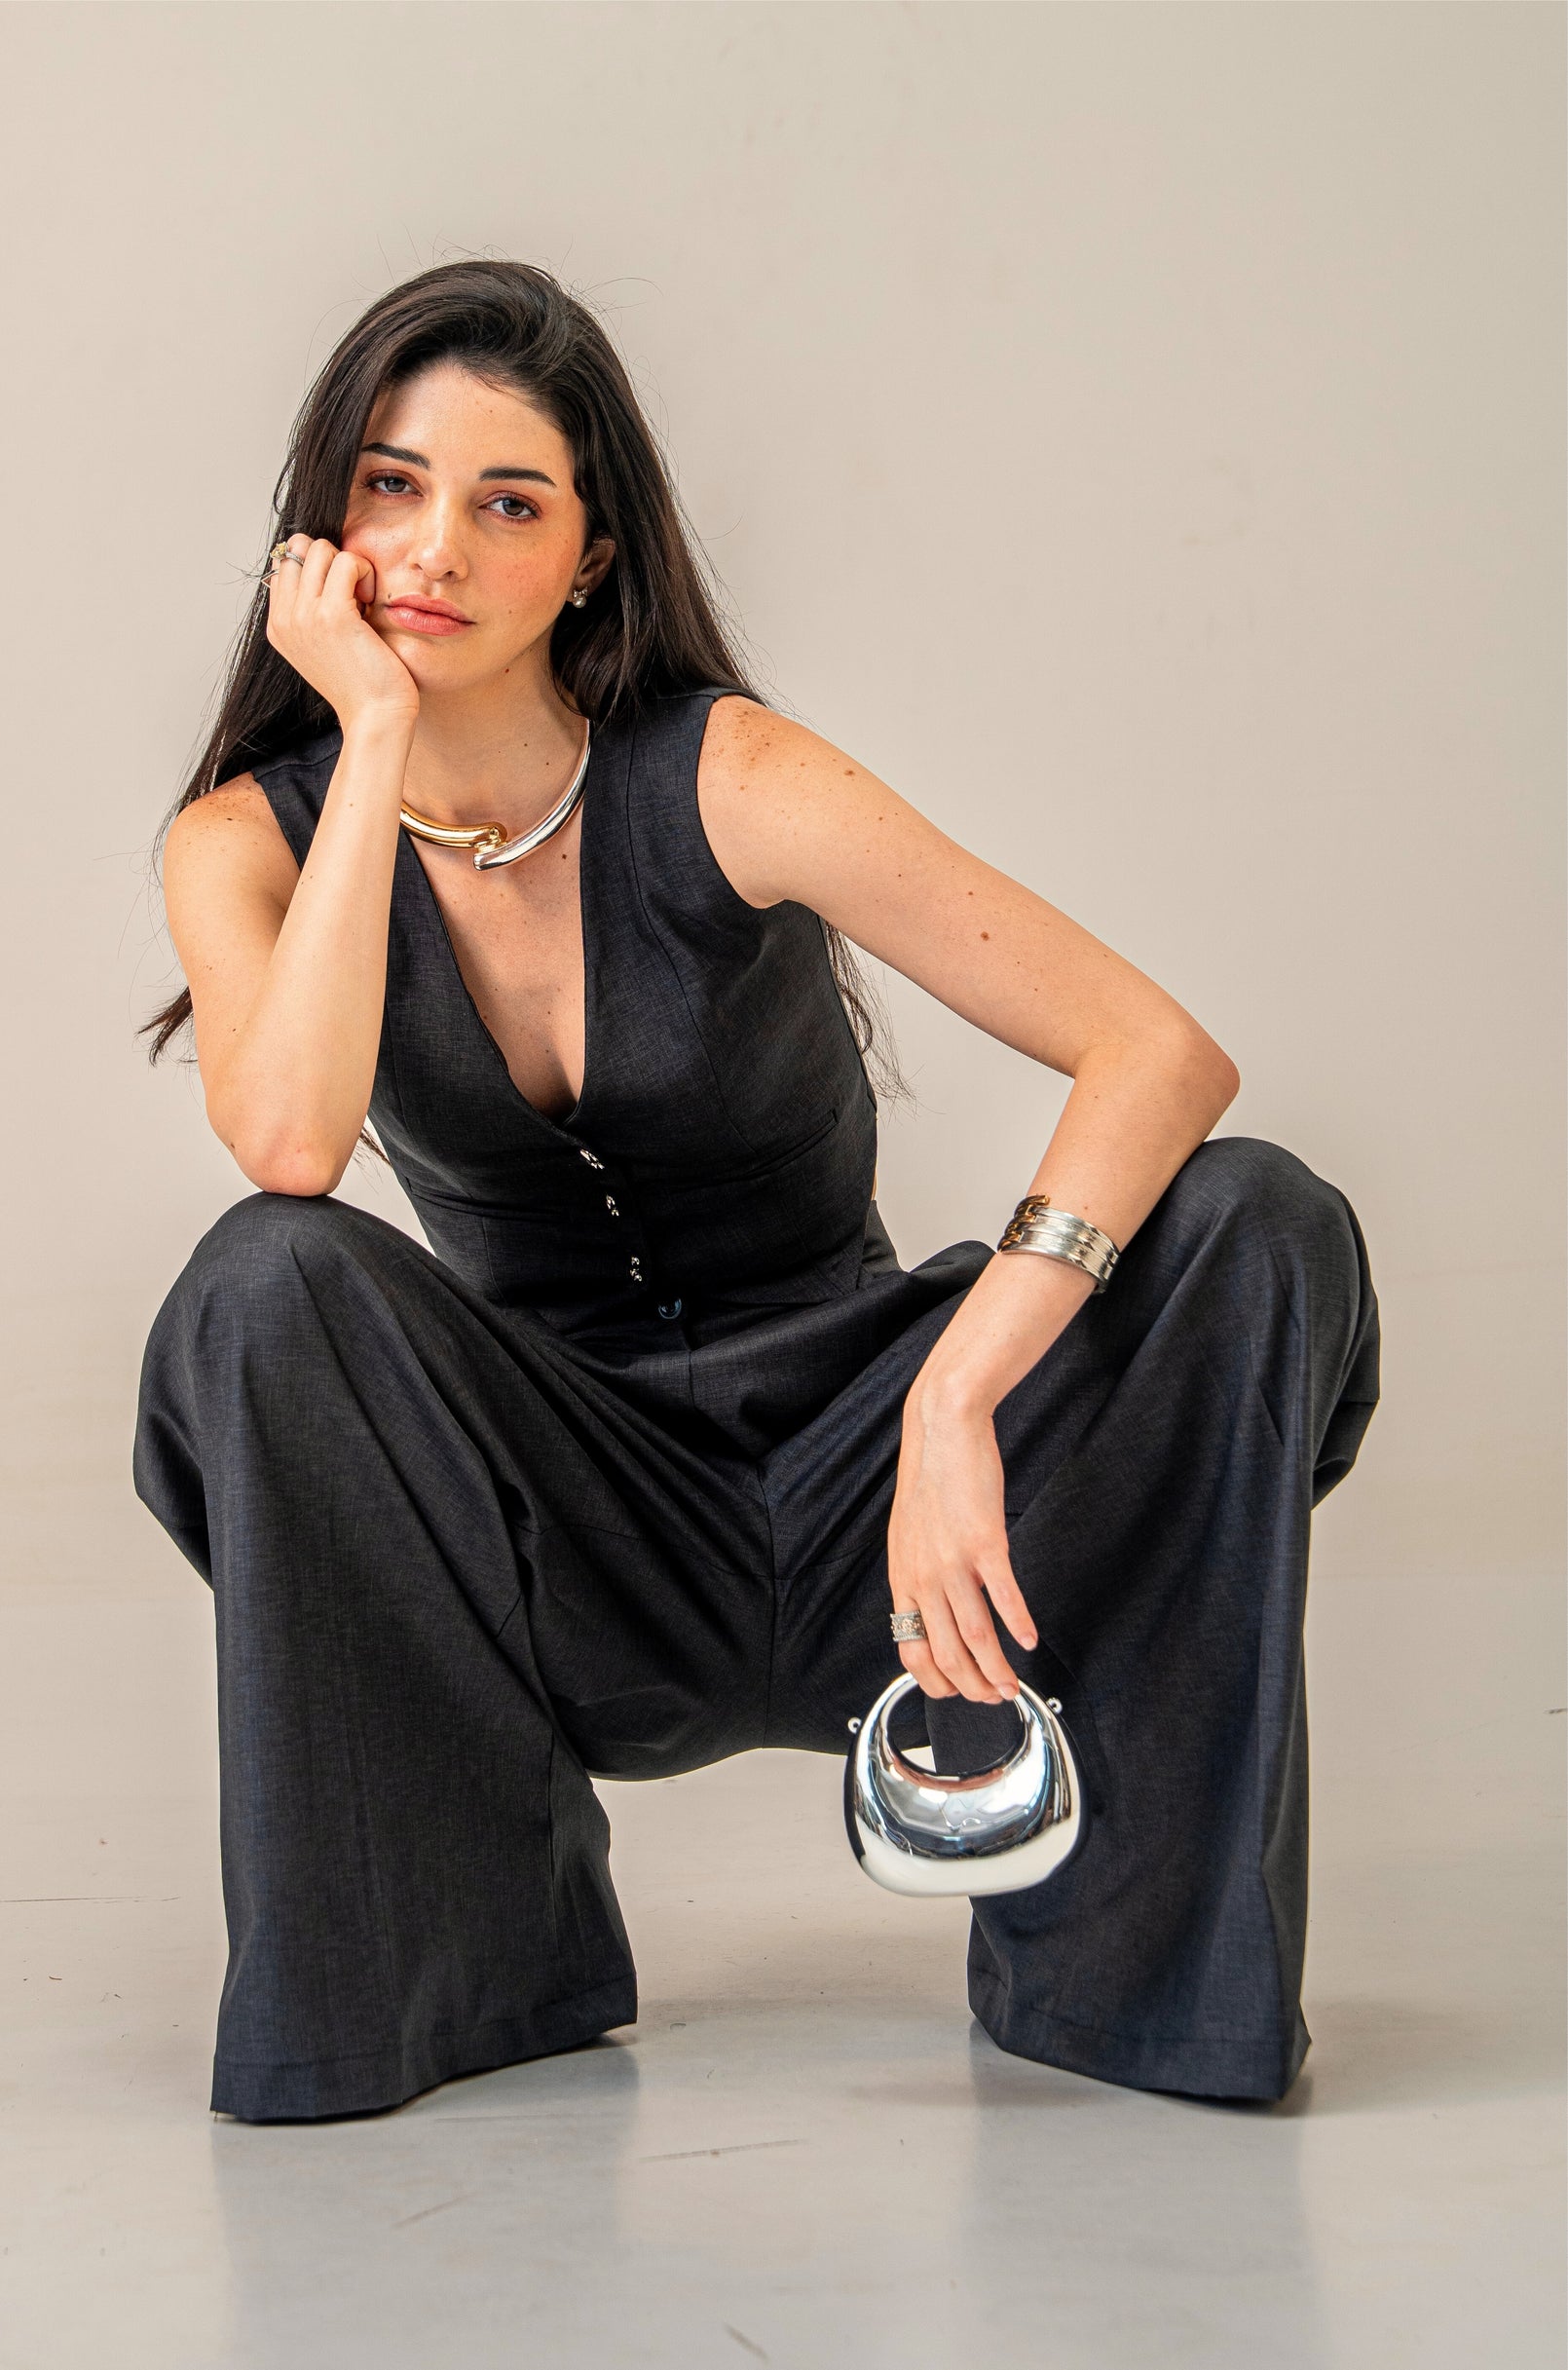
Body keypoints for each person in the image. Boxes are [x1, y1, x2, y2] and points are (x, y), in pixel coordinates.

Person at [133, 259, 1379, 2124]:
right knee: (264, 1281)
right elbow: (295, 1149)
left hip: (897, 1495)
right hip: (565, 1522)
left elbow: (1155, 1051)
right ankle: (448, 1968)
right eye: (390, 486)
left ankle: (1138, 1981)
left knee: (1256, 1217)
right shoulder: (248, 842)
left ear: (591, 557)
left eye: (508, 503)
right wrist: (372, 736)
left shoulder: (730, 775)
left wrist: (956, 1397)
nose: (436, 547)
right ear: (322, 519)